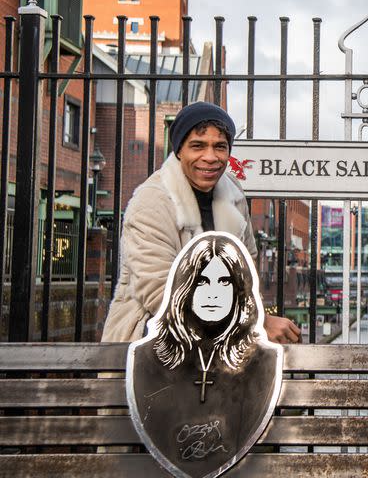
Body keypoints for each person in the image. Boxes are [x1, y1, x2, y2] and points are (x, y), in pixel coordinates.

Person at [102, 101, 300, 344]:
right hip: (152, 336)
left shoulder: (234, 194)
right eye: (197, 146)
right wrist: (256, 322)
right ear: (179, 151)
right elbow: (160, 293)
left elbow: (247, 274)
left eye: (220, 147)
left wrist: (253, 319)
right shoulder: (151, 202)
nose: (210, 157)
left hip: (220, 337)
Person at [128, 233, 282, 477]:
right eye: (201, 282)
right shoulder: (147, 357)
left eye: (224, 282)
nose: (213, 294)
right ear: (185, 287)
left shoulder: (264, 359)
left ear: (239, 290)